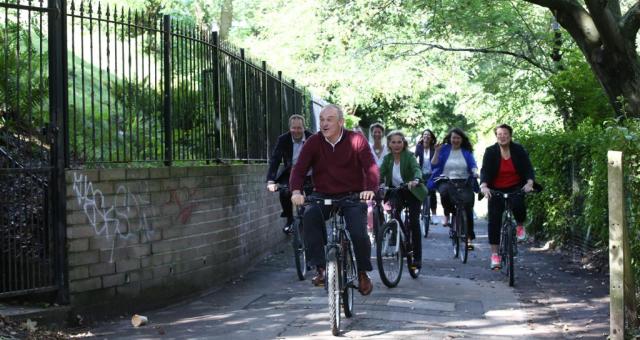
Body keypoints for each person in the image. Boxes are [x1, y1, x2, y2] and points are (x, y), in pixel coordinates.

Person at [290, 104, 378, 296]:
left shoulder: (356, 139)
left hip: (353, 194)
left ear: (340, 122)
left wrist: (370, 190)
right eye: (322, 120)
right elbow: (299, 169)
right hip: (324, 194)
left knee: (358, 233)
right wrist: (296, 191)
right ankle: (321, 269)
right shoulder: (313, 142)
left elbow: (371, 166)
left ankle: (362, 272)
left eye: (329, 119)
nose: (324, 123)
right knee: (310, 215)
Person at [480, 124, 538, 269]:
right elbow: (485, 170)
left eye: (505, 134)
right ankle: (494, 255)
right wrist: (484, 186)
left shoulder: (518, 150)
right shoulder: (491, 151)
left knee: (519, 205)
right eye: (499, 134)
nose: (502, 136)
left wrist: (530, 183)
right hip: (495, 189)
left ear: (510, 135)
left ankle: (519, 225)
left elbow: (528, 168)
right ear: (496, 136)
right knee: (494, 220)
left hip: (515, 186)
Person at [380, 131, 428, 268]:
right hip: (396, 191)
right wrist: (373, 183)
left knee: (414, 222)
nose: (396, 145)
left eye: (399, 142)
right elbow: (379, 173)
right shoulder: (387, 159)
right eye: (393, 142)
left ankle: (417, 258)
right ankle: (402, 237)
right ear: (389, 144)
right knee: (394, 214)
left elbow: (416, 169)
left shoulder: (409, 156)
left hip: (412, 191)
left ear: (404, 143)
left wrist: (416, 180)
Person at [428, 128, 479, 249]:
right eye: (453, 138)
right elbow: (434, 164)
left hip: (464, 180)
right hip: (446, 179)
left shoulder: (466, 151)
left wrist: (475, 172)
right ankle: (450, 213)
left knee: (468, 208)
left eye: (458, 138)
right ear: (450, 139)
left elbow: (473, 164)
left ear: (462, 140)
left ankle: (469, 238)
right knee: (444, 192)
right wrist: (436, 151)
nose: (455, 140)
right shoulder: (444, 149)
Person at [266, 114, 313, 233]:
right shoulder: (284, 139)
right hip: (291, 172)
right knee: (284, 191)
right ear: (290, 128)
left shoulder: (312, 138)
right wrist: (271, 180)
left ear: (304, 128)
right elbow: (275, 159)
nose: (296, 131)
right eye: (294, 128)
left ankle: (312, 221)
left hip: (310, 173)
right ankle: (290, 218)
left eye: (299, 128)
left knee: (313, 196)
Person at [414, 129, 438, 228]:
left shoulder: (433, 148)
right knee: (419, 191)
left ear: (431, 138)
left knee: (432, 193)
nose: (426, 137)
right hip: (421, 173)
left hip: (432, 174)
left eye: (428, 135)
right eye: (424, 135)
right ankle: (420, 211)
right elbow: (414, 158)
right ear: (422, 137)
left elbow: (437, 160)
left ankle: (434, 215)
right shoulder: (419, 147)